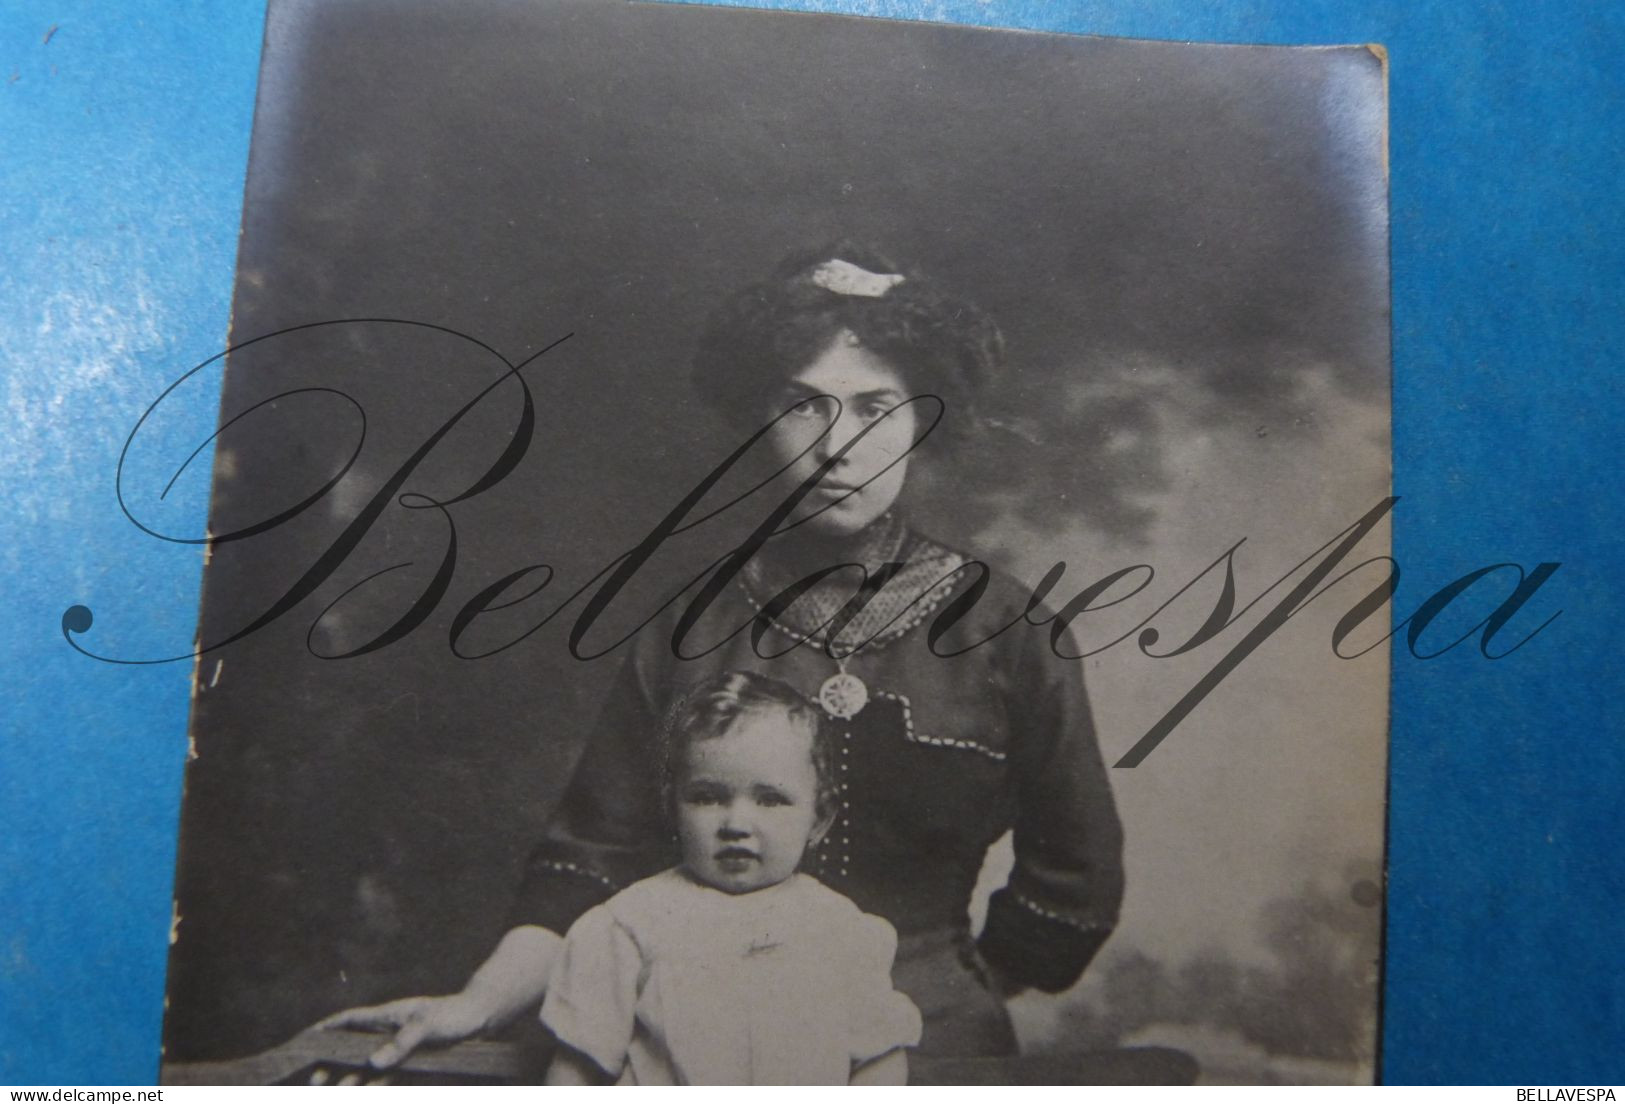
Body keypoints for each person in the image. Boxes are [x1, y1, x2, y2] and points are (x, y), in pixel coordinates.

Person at [322, 242, 1124, 1071]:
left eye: (875, 406)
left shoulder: (1012, 628)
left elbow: (1075, 883)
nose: (838, 445)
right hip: (692, 1044)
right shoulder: (689, 624)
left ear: (925, 417)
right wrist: (479, 1002)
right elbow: (585, 862)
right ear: (757, 418)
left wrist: (955, 988)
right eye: (803, 406)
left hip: (932, 1041)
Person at [541, 671, 920, 1085]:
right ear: (673, 807)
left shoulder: (843, 931)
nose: (737, 823)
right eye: (707, 797)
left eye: (771, 800)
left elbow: (879, 1059)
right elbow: (575, 1071)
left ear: (820, 817)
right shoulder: (627, 926)